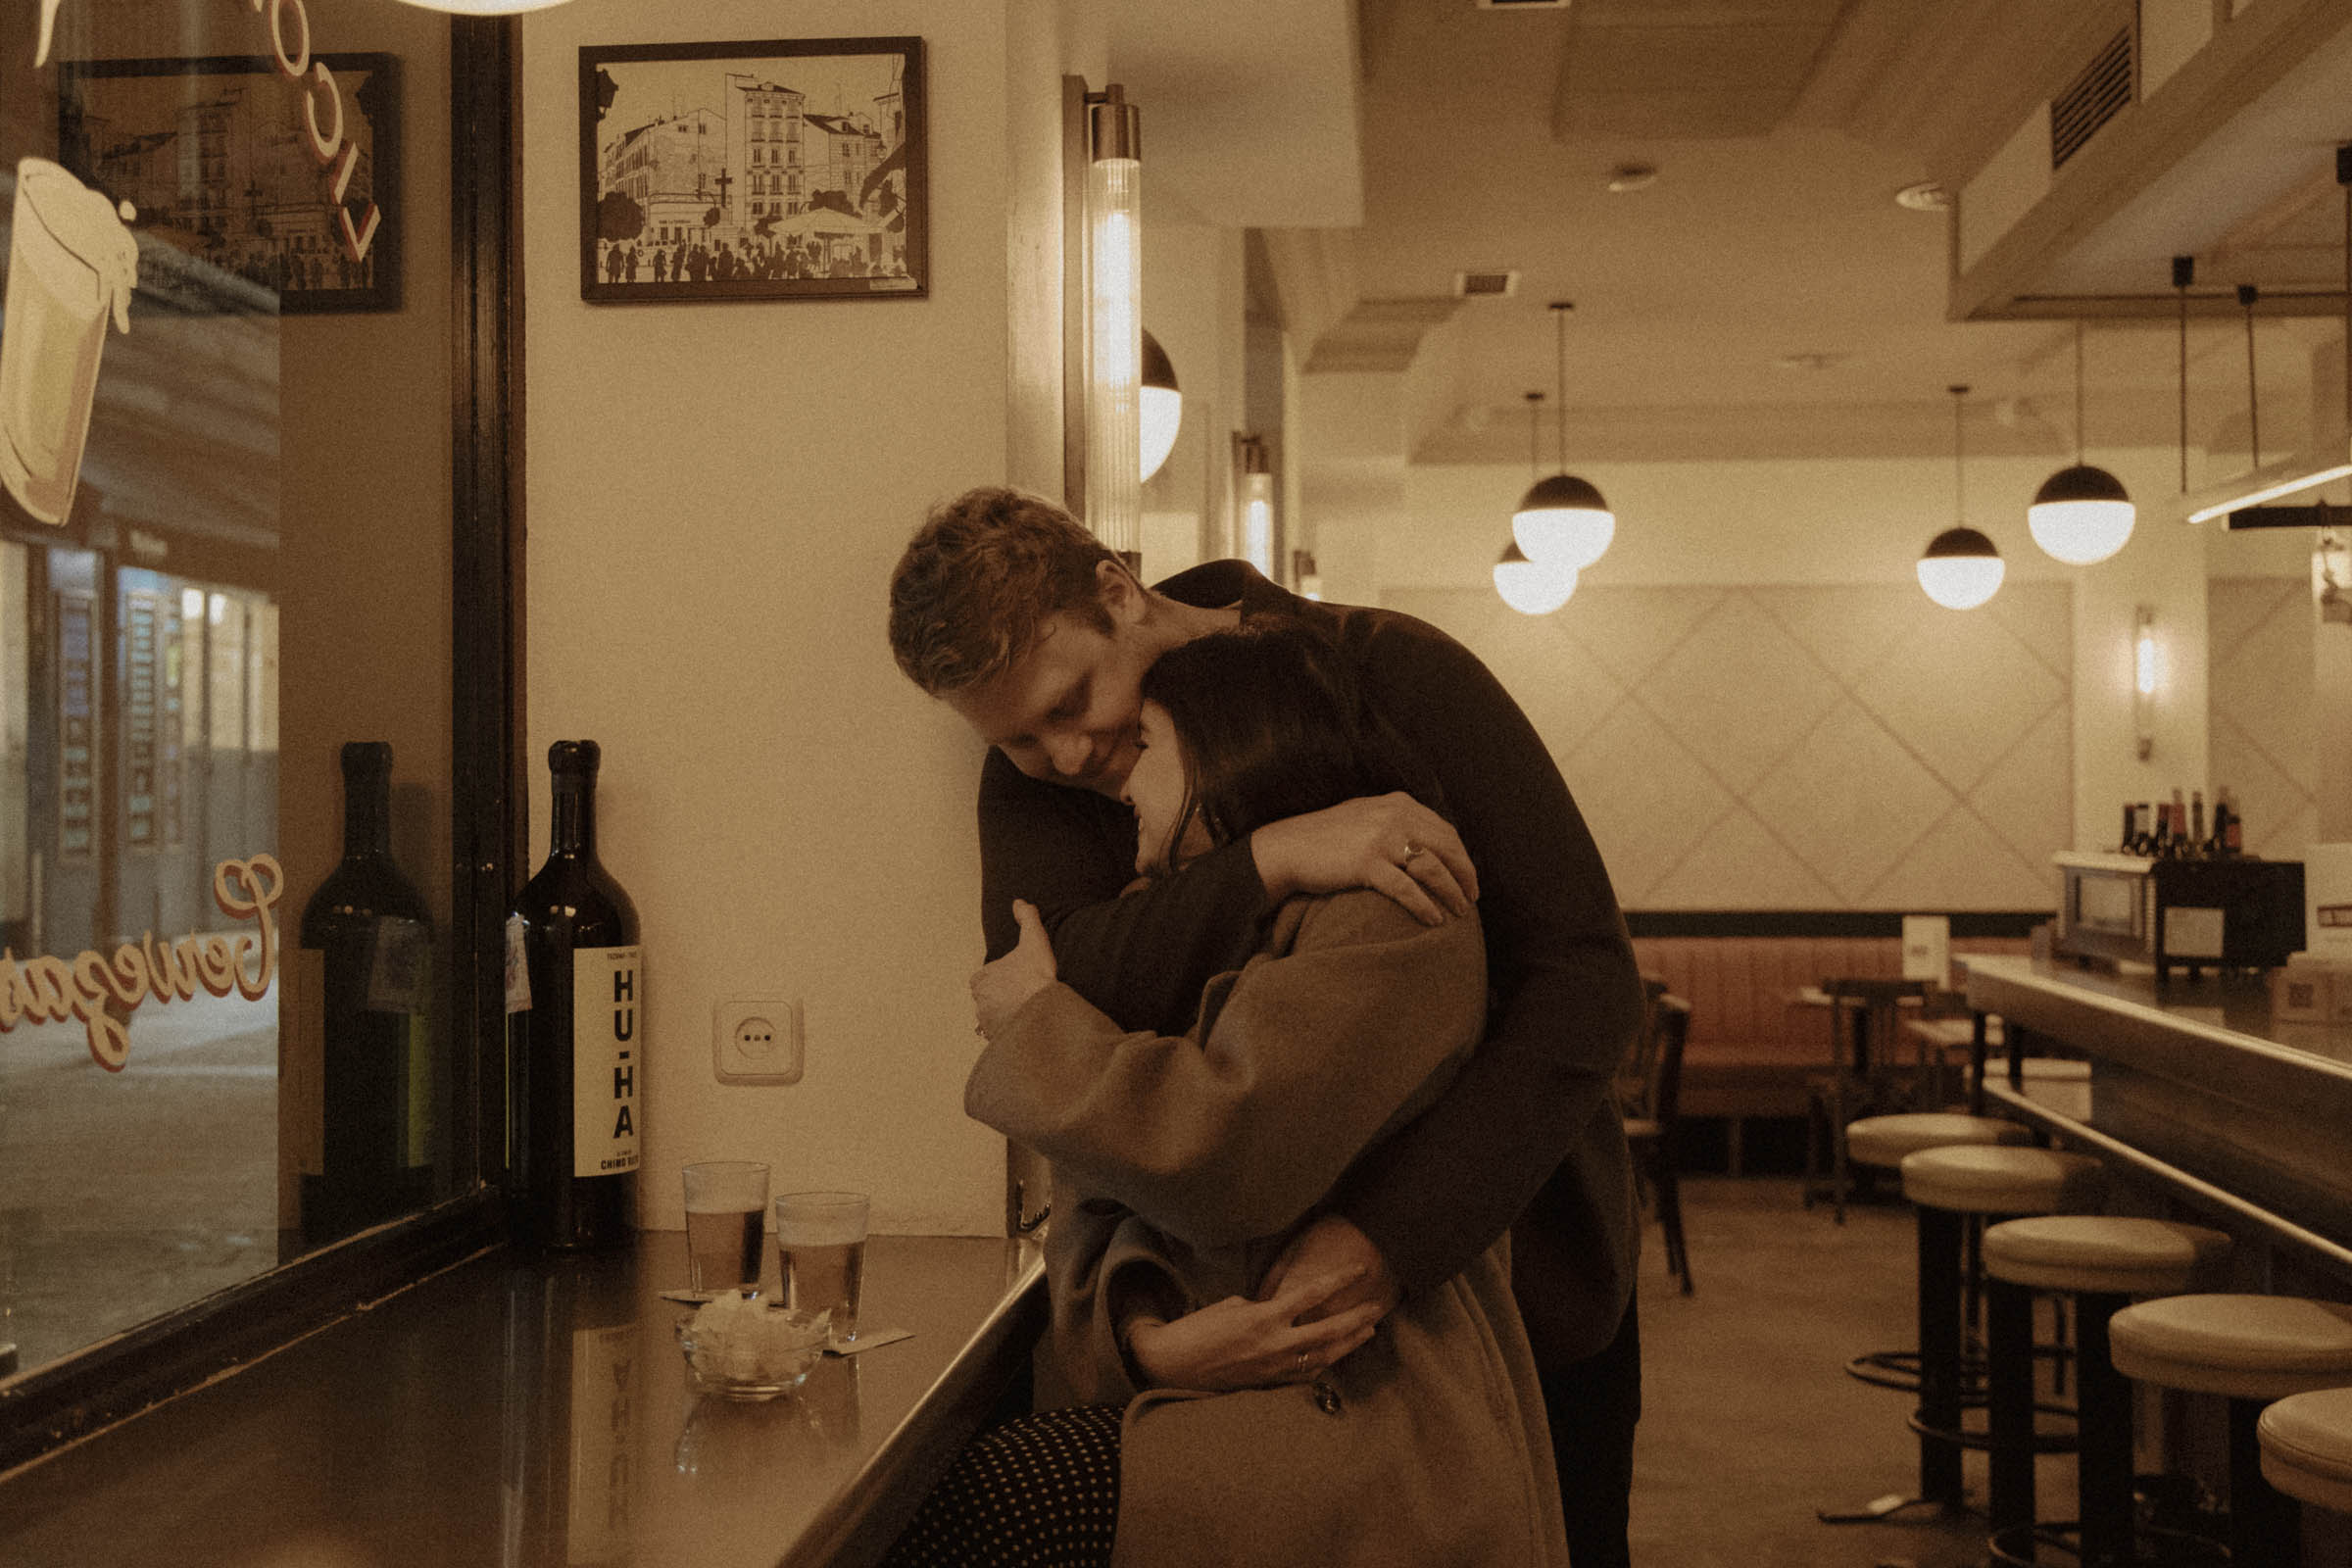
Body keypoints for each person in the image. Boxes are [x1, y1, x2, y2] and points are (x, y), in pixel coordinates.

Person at [886, 488, 1645, 1566]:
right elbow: (1058, 990)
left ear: (1117, 593)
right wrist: (1276, 856)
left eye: (1073, 701)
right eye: (1017, 740)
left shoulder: (1383, 669)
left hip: (1509, 1237)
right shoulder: (1045, 774)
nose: (1064, 757)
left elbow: (1580, 979)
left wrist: (1393, 1236)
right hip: (1221, 1291)